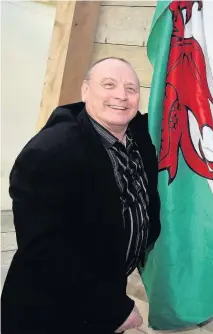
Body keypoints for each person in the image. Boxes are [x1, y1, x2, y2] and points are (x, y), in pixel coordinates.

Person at [1, 57, 161, 333]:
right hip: (51, 309)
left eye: (131, 89)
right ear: (85, 90)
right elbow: (45, 251)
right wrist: (114, 308)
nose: (121, 96)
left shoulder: (137, 136)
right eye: (108, 85)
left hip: (107, 287)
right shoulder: (49, 152)